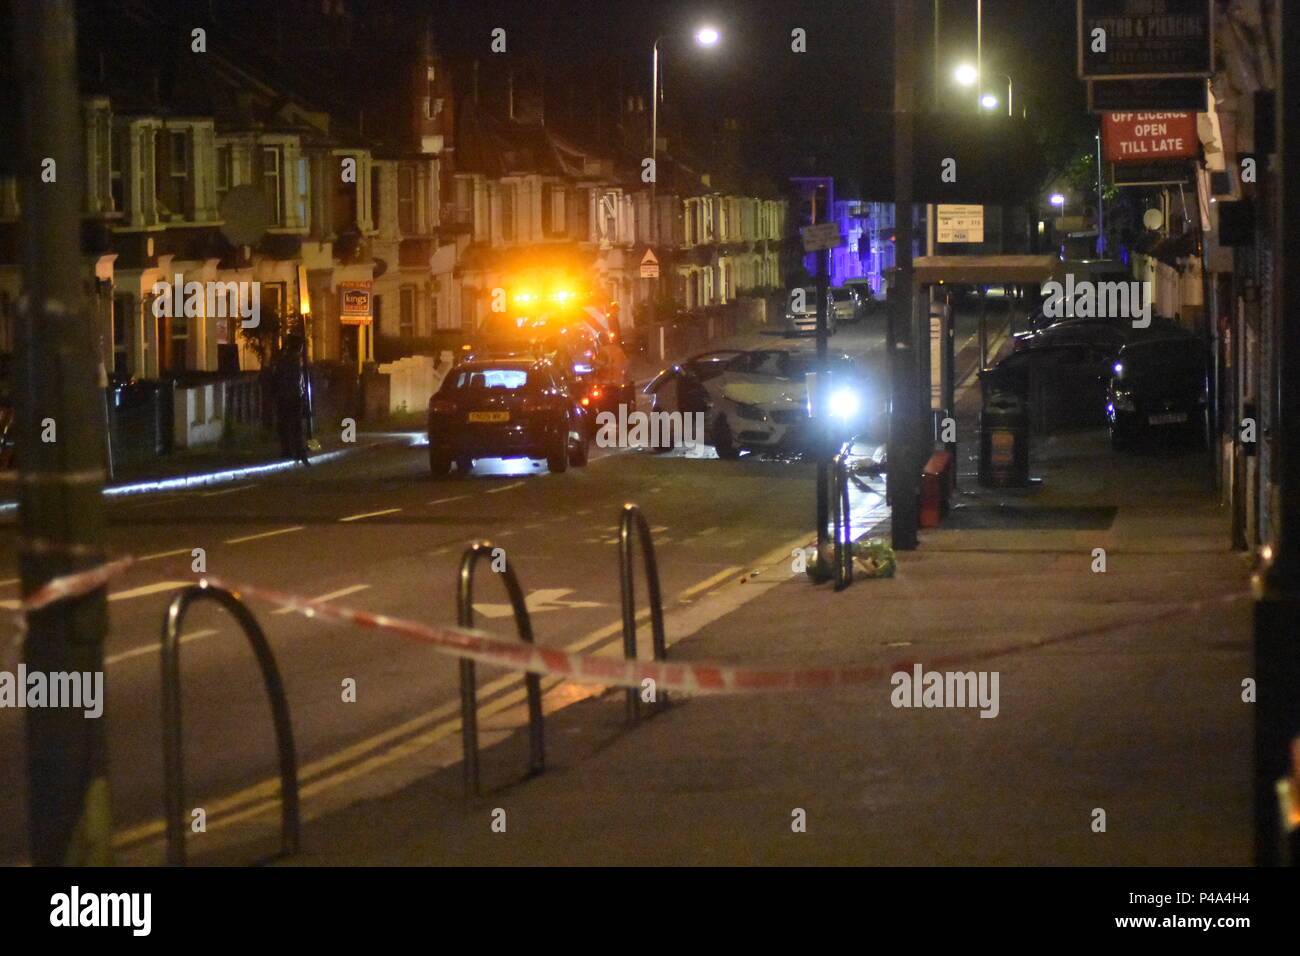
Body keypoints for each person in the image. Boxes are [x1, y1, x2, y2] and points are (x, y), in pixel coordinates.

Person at [272, 334, 310, 465]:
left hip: (283, 396)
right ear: (299, 347)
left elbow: (277, 377)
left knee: (284, 424)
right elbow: (297, 381)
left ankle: (287, 450)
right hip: (293, 396)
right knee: (296, 425)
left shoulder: (283, 360)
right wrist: (302, 395)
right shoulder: (295, 361)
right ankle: (299, 450)